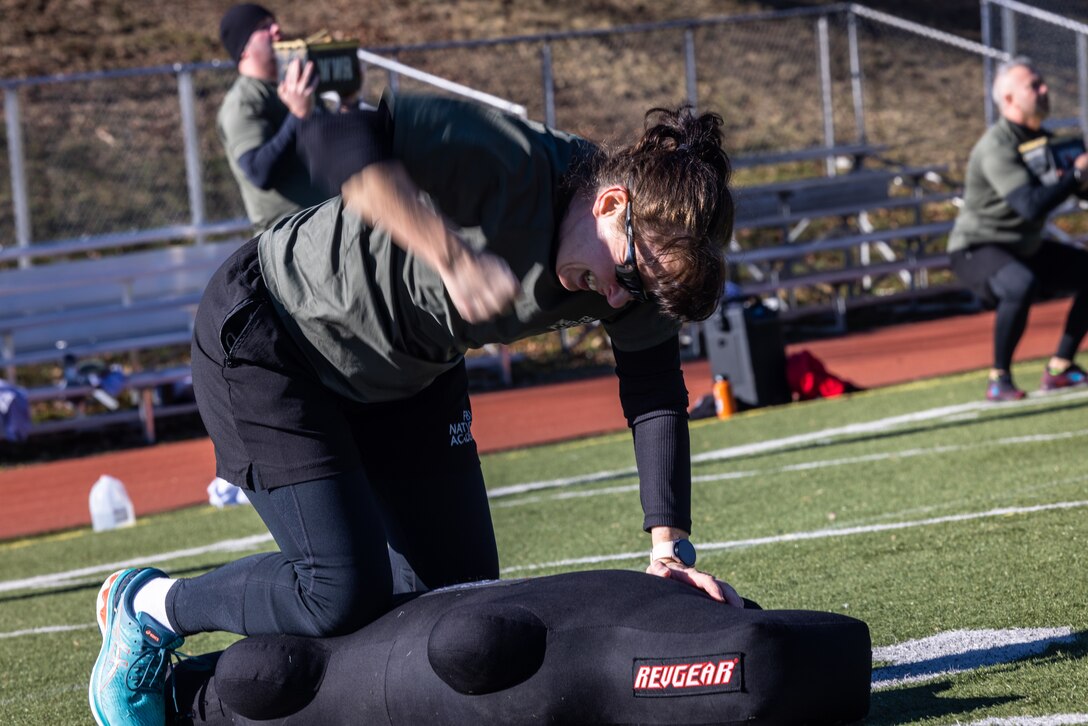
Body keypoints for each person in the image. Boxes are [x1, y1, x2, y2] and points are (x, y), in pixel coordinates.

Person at [89, 92, 741, 725]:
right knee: (336, 589)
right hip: (274, 337)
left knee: (459, 610)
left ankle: (208, 698)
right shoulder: (510, 161)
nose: (618, 300)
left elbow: (655, 393)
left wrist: (670, 551)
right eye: (628, 278)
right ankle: (147, 607)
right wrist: (449, 255)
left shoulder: (631, 273)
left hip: (408, 375)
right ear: (611, 203)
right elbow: (336, 134)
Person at [948, 56, 1088, 401]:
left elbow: (1068, 189)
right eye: (1034, 85)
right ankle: (999, 378)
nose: (1044, 90)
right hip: (977, 247)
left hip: (1022, 245)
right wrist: (1075, 176)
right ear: (1009, 99)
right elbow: (1030, 204)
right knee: (1020, 284)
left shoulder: (1042, 139)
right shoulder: (997, 145)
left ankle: (1060, 368)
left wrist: (1080, 180)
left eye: (1043, 83)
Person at [217, 3, 330, 232]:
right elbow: (260, 172)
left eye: (274, 23)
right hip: (289, 236)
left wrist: (349, 103)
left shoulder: (294, 86)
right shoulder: (243, 101)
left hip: (328, 222)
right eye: (264, 27)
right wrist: (298, 115)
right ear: (244, 49)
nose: (277, 29)